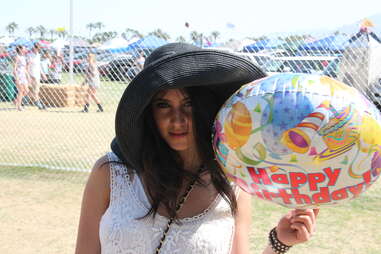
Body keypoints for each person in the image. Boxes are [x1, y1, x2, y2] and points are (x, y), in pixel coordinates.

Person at [75, 43, 319, 254]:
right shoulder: (111, 174)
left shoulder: (232, 183)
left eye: (188, 104)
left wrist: (279, 242)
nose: (178, 119)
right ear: (148, 112)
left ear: (205, 108)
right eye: (163, 105)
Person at [27, 42, 46, 110]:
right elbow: (28, 66)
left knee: (34, 91)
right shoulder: (30, 55)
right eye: (37, 48)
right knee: (35, 91)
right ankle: (39, 104)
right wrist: (29, 76)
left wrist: (42, 74)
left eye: (39, 48)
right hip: (32, 75)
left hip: (37, 75)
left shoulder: (38, 55)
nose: (38, 49)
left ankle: (22, 100)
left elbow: (39, 66)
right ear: (34, 47)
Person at [13, 45, 29, 111]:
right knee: (21, 91)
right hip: (19, 75)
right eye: (23, 48)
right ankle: (19, 106)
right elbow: (14, 68)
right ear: (20, 50)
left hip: (23, 76)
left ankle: (16, 101)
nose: (25, 49)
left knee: (26, 91)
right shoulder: (17, 57)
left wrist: (27, 75)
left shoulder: (23, 57)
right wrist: (16, 77)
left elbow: (24, 68)